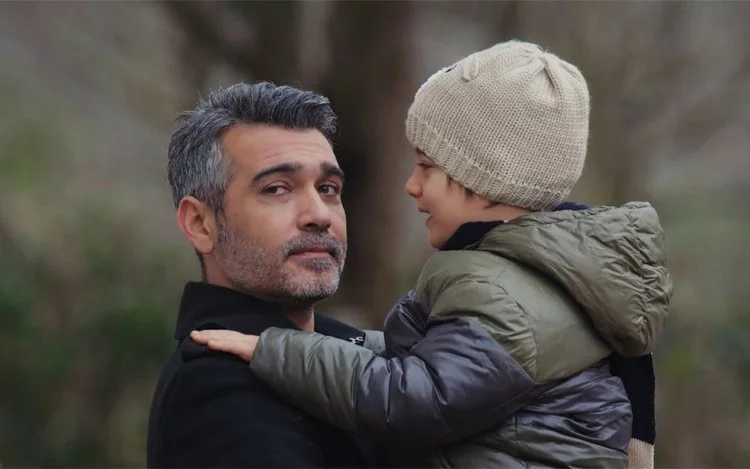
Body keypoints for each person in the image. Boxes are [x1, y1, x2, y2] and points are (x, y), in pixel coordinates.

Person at [191, 40, 672, 468]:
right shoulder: (542, 279)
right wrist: (343, 342)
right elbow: (437, 361)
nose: (411, 186)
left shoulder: (502, 294)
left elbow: (416, 399)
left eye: (426, 167)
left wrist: (276, 349)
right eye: (277, 189)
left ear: (485, 181)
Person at [146, 82, 384, 468]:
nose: (319, 214)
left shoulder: (359, 351)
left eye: (328, 188)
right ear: (200, 223)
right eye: (276, 189)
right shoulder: (218, 385)